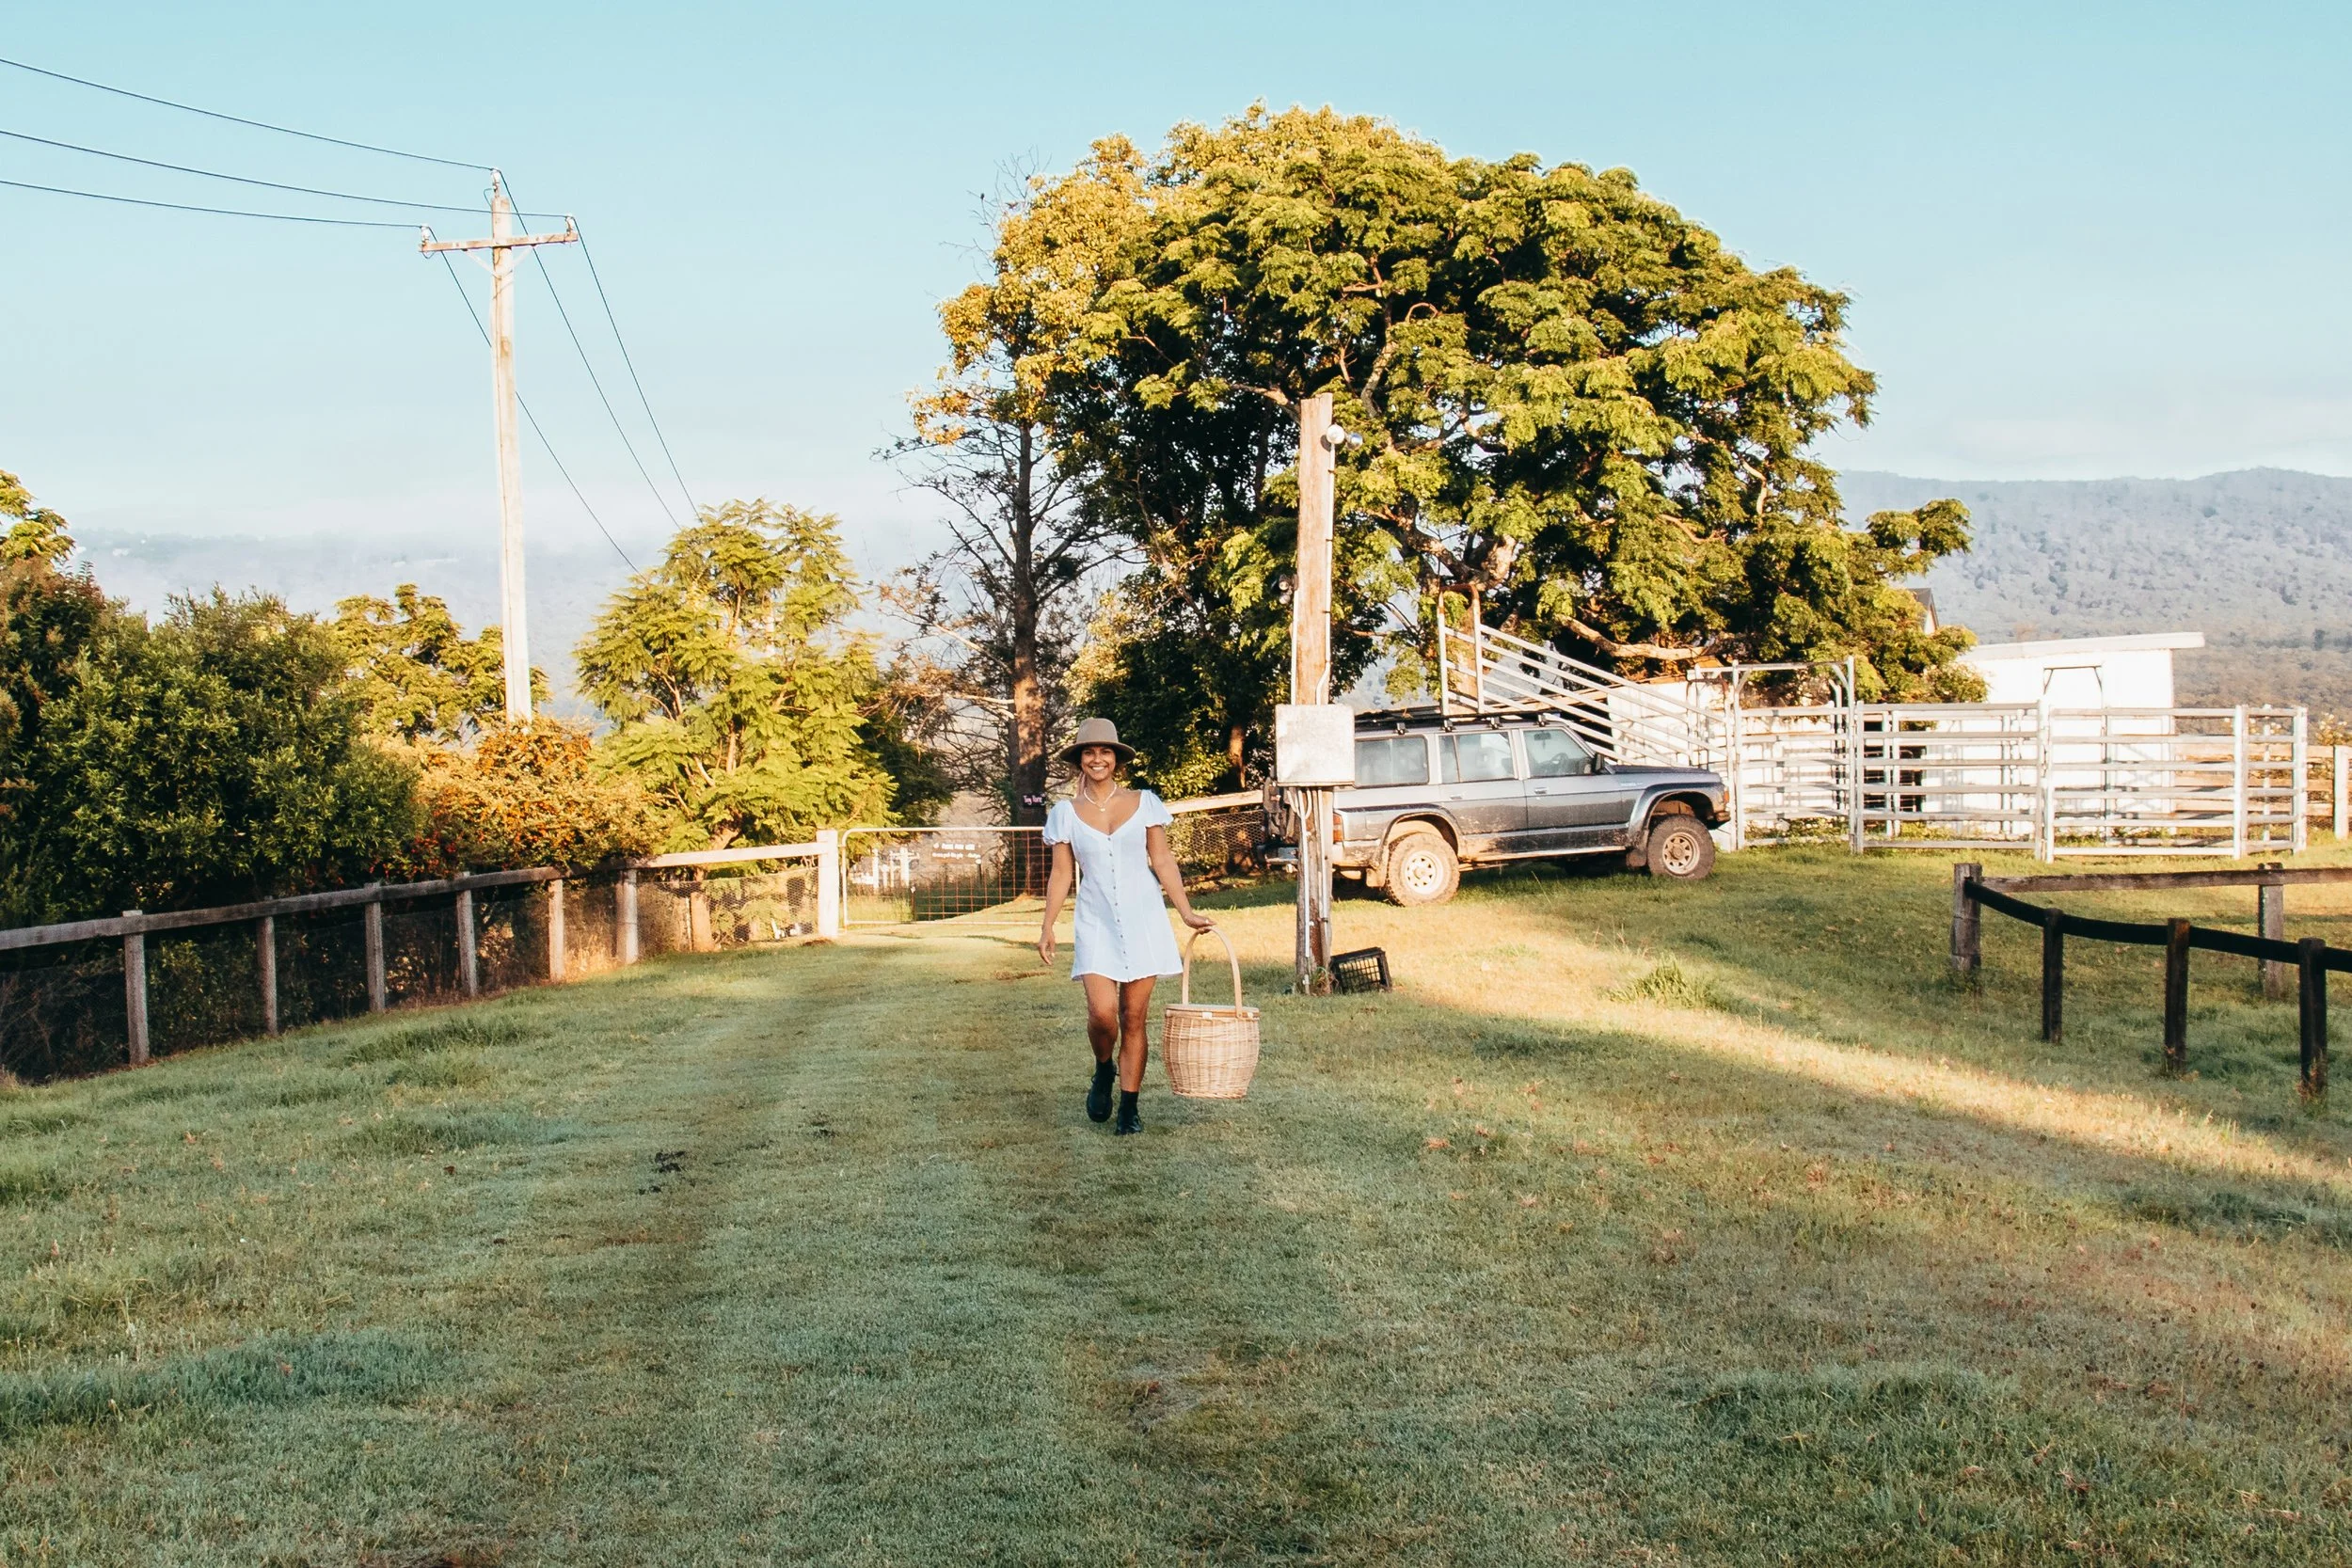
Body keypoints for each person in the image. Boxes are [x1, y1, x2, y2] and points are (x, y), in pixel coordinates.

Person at [1036, 718, 1216, 1135]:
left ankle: (1129, 1109)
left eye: (1105, 752)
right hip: (1094, 921)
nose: (1097, 759)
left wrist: (1185, 911)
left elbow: (1163, 860)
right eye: (1089, 752)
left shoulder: (1145, 801)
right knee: (1103, 1016)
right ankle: (1103, 1069)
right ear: (1079, 761)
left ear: (1116, 759)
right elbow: (1061, 874)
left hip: (1144, 918)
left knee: (1134, 1016)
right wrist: (1047, 927)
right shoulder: (1065, 813)